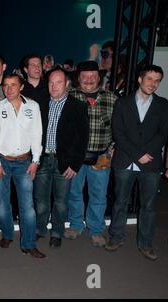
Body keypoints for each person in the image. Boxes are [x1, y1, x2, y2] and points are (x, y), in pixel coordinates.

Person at [106, 64, 168, 261]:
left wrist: (146, 153)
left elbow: (163, 134)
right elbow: (118, 133)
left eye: (157, 80)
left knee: (149, 206)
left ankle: (146, 243)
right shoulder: (122, 103)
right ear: (140, 79)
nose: (153, 84)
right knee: (120, 203)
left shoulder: (164, 105)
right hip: (125, 161)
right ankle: (116, 237)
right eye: (150, 79)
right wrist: (137, 154)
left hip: (150, 164)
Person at [0, 74, 46, 258]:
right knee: (1, 205)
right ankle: (7, 234)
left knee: (27, 206)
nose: (9, 89)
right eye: (5, 85)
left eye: (13, 85)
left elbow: (37, 134)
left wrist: (36, 161)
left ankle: (29, 244)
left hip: (24, 162)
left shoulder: (33, 106)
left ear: (21, 87)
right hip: (2, 161)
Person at [34, 67, 89, 248]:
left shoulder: (78, 107)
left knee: (61, 202)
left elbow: (82, 139)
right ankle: (40, 229)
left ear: (66, 84)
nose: (54, 86)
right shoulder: (39, 103)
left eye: (58, 82)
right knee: (41, 201)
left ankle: (57, 232)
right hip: (42, 160)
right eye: (51, 82)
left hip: (64, 162)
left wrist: (75, 165)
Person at [66, 61, 118, 247]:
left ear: (99, 77)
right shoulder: (69, 97)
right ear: (78, 78)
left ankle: (96, 230)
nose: (89, 80)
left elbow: (119, 127)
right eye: (85, 76)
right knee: (74, 192)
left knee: (98, 195)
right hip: (76, 157)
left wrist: (112, 148)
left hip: (102, 156)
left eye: (93, 76)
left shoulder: (111, 99)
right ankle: (75, 224)